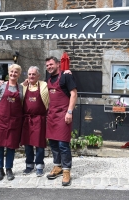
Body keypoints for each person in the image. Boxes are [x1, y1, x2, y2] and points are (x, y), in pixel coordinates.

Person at [0, 64, 23, 181]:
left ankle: (9, 169)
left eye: (16, 72)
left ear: (19, 74)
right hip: (1, 120)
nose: (13, 74)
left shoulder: (21, 88)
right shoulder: (1, 86)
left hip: (14, 121)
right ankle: (0, 169)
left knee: (11, 146)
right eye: (11, 71)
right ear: (8, 72)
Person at [45, 56, 77, 186]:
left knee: (63, 145)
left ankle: (66, 171)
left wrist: (69, 111)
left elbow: (74, 94)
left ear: (58, 64)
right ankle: (57, 166)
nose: (49, 67)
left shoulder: (66, 76)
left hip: (64, 115)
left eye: (51, 64)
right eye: (47, 66)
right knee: (53, 143)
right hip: (52, 115)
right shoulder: (48, 80)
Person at [21, 66, 49, 177]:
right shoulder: (23, 87)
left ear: (38, 76)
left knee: (39, 144)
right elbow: (11, 87)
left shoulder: (44, 86)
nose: (31, 76)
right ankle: (29, 165)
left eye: (33, 74)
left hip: (39, 119)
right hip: (26, 119)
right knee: (27, 144)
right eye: (29, 74)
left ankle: (39, 166)